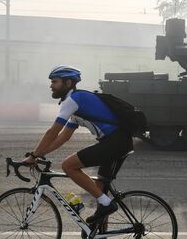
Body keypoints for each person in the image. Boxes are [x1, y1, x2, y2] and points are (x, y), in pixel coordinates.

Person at [22, 65, 133, 225]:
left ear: (68, 83)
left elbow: (52, 132)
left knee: (68, 166)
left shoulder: (73, 100)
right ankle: (101, 236)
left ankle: (107, 204)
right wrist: (40, 154)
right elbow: (63, 137)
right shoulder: (77, 105)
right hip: (117, 141)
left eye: (55, 81)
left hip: (115, 141)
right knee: (100, 186)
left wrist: (33, 156)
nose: (51, 85)